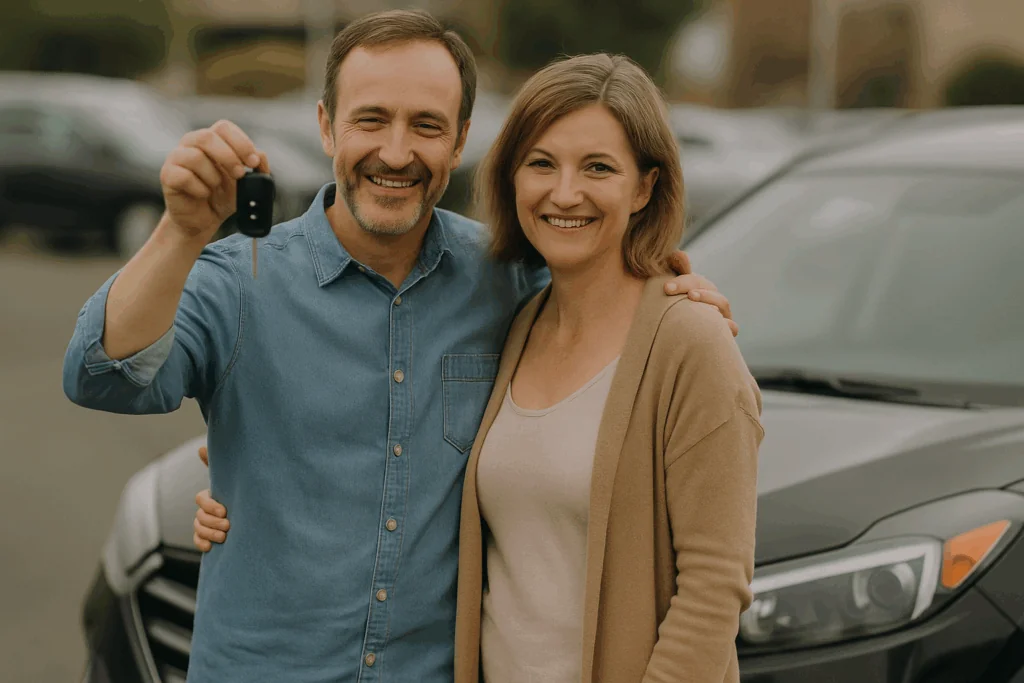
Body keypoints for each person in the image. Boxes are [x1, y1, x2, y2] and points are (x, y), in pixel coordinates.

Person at [65, 9, 739, 683]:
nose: (395, 151)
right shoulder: (240, 278)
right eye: (371, 119)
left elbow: (598, 278)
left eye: (426, 125)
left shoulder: (506, 278)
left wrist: (668, 281)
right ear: (327, 125)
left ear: (461, 139)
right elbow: (101, 375)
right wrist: (180, 232)